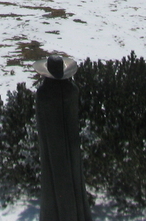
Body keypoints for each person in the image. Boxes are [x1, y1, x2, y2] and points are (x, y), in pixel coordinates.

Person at [34, 55, 92, 221]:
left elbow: (42, 122)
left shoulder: (43, 94)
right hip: (72, 145)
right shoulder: (72, 91)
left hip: (51, 146)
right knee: (74, 181)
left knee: (52, 185)